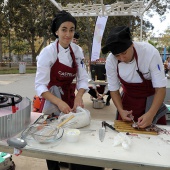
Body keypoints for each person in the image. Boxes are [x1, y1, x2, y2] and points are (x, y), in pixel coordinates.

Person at [35, 10, 103, 170]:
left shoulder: (77, 51)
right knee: (50, 135)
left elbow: (82, 78)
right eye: (64, 29)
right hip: (51, 100)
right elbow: (40, 85)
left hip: (69, 97)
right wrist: (58, 102)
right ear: (56, 31)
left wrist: (79, 96)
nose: (68, 34)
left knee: (71, 132)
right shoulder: (48, 52)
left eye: (71, 29)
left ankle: (69, 162)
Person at [102, 26, 169, 129]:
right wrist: (121, 110)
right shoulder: (111, 61)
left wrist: (151, 114)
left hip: (152, 102)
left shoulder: (150, 53)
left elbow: (160, 89)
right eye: (117, 56)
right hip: (128, 102)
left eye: (124, 53)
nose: (122, 58)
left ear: (132, 45)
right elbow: (114, 89)